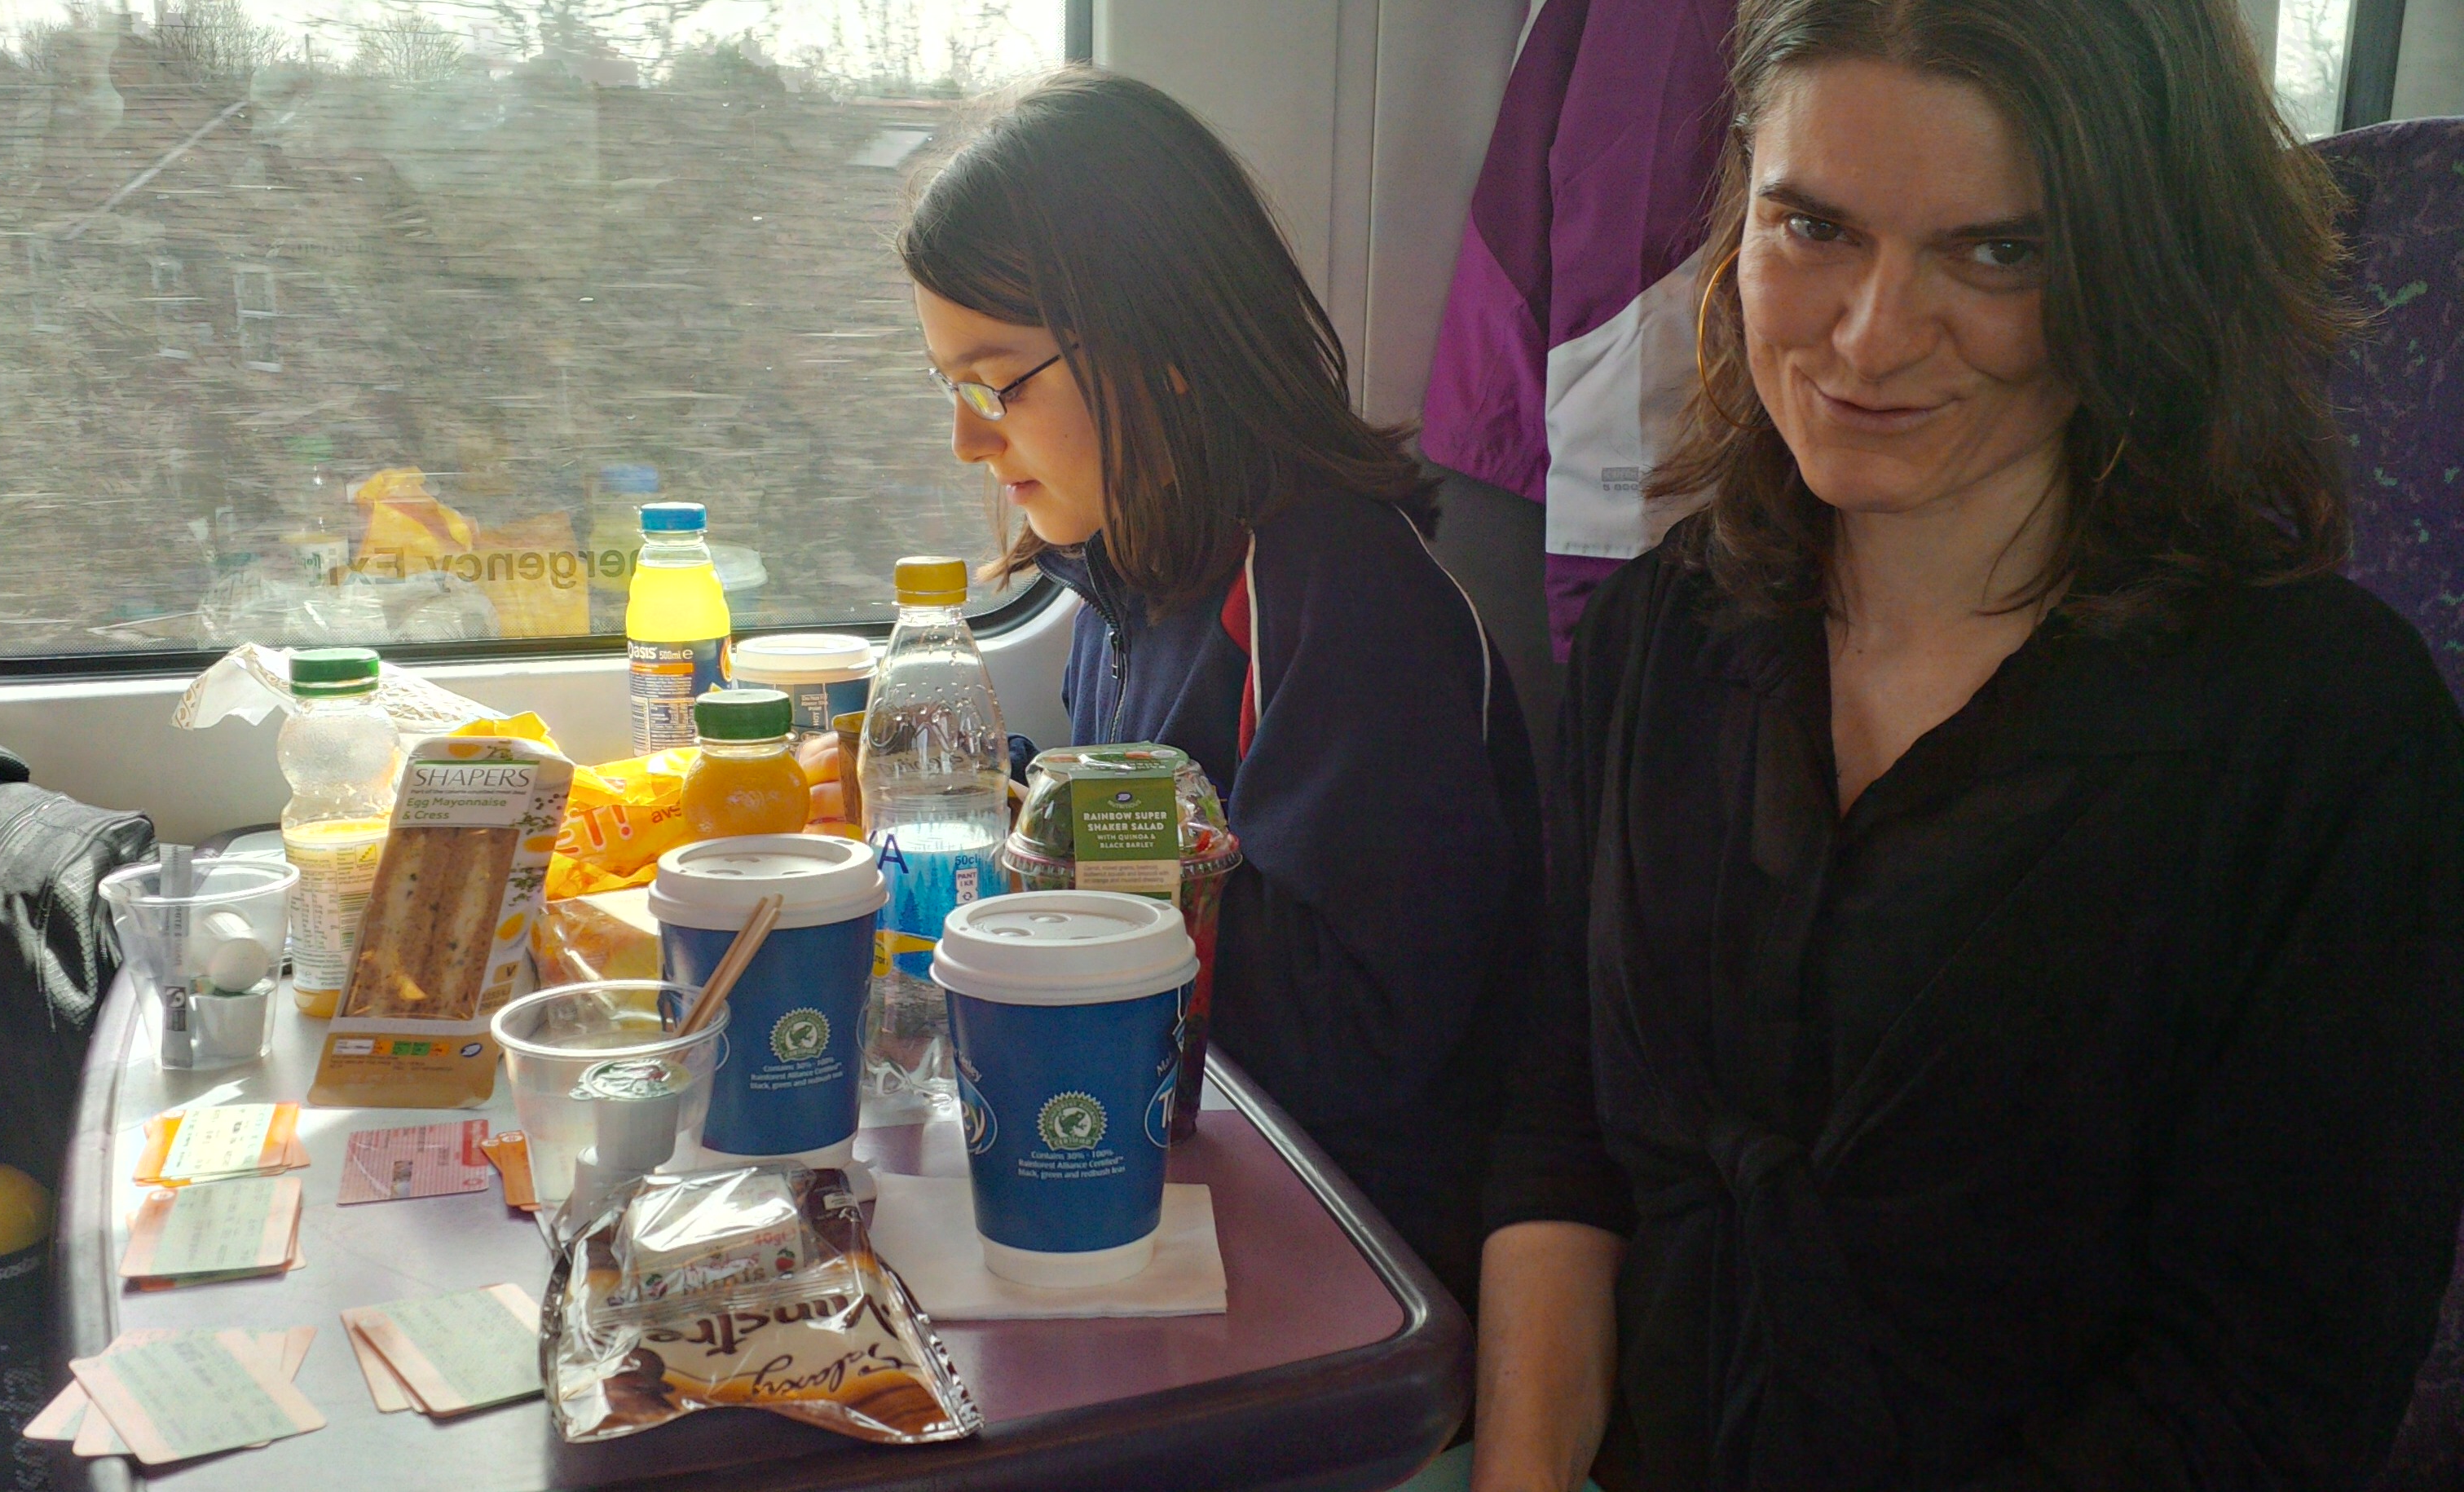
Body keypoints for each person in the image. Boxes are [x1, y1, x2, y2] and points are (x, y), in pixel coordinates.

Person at [1472, 0, 2464, 1488]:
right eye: (1814, 226)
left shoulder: (2328, 738)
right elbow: (1564, 1147)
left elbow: (2262, 1398)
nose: (1871, 336)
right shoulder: (1656, 637)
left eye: (1998, 252)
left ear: (2144, 267)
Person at [898, 69, 1541, 1314]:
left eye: (996, 383)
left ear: (1165, 346)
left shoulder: (1341, 596)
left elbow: (1356, 1041)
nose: (969, 440)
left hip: (1345, 1247)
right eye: (951, 389)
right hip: (1191, 1164)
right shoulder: (1127, 586)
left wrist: (1050, 871)